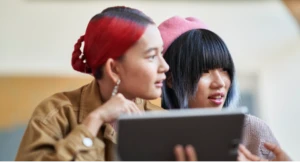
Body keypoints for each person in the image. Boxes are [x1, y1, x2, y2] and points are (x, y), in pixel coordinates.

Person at [15, 6, 169, 162]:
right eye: (151, 56)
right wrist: (94, 121)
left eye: (160, 53)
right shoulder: (55, 114)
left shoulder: (163, 122)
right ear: (114, 69)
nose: (165, 66)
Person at [158, 16, 279, 160]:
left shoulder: (252, 131)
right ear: (171, 80)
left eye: (224, 69)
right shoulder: (152, 137)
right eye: (204, 71)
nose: (220, 82)